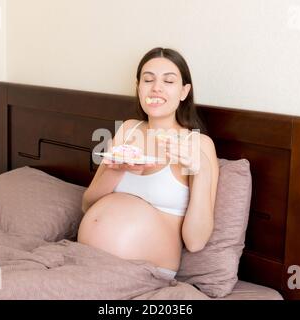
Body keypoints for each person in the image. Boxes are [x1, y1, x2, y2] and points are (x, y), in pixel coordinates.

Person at [77, 47, 219, 280]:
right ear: (138, 87)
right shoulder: (128, 129)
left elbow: (196, 242)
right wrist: (117, 170)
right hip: (87, 260)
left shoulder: (199, 145)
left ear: (184, 91)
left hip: (144, 273)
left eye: (169, 81)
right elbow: (87, 204)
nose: (156, 88)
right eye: (148, 79)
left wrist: (201, 172)